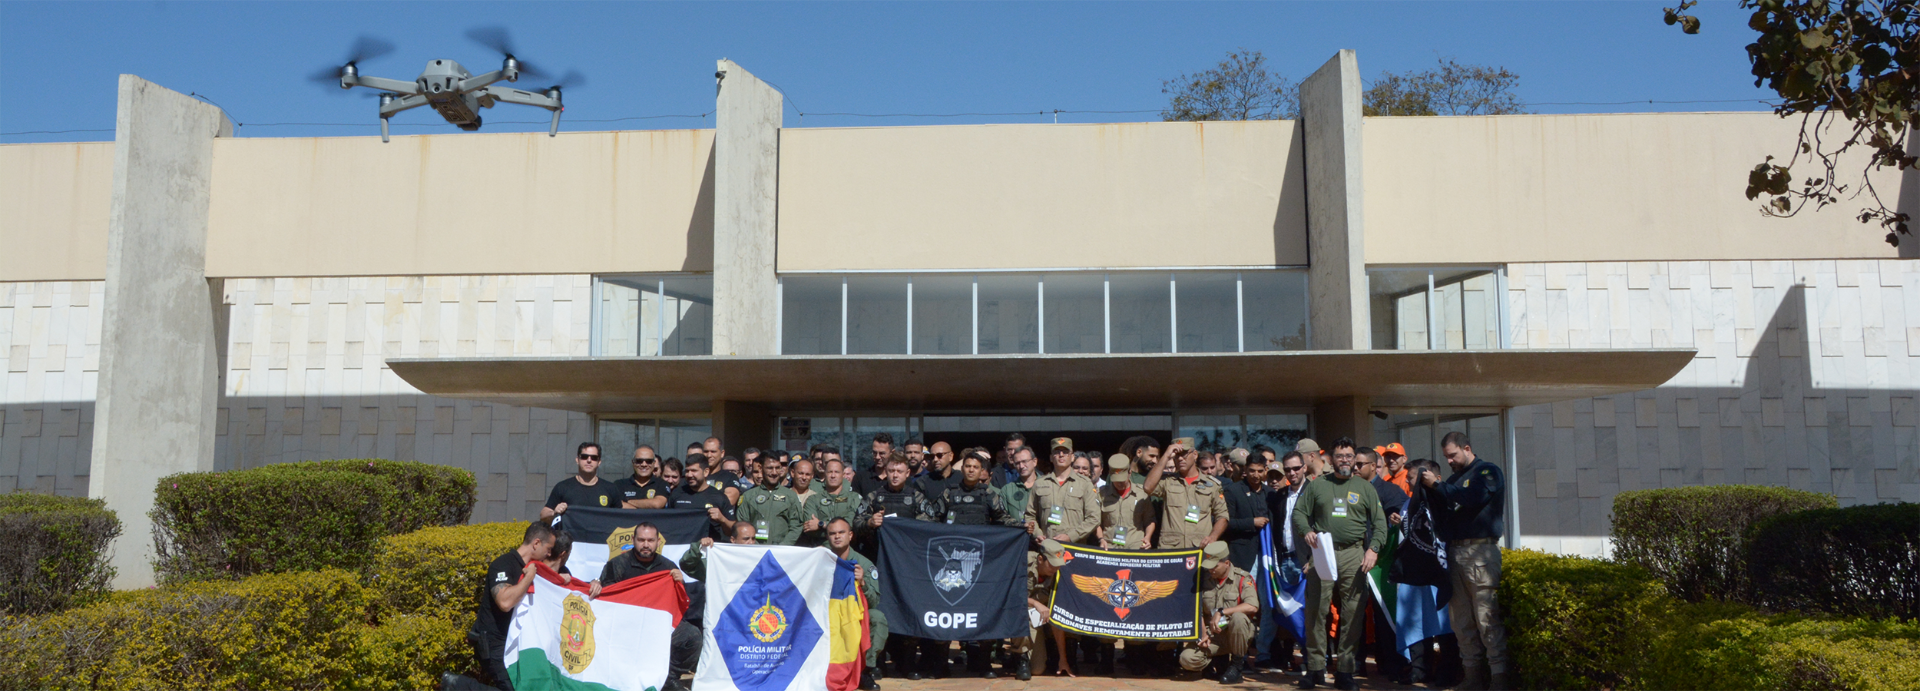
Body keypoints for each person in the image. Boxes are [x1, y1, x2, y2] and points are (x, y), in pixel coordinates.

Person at [1291, 437, 1387, 691]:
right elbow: (1299, 513)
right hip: (1322, 551)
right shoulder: (1317, 485)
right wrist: (1306, 531)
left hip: (1353, 554)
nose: (1344, 460)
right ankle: (1315, 669)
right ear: (1331, 459)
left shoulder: (1365, 487)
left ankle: (1345, 671)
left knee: (1352, 613)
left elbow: (1380, 523)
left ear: (1354, 459)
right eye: (1340, 456)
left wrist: (1373, 549)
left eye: (1349, 456)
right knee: (1316, 611)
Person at [1418, 432, 1511, 691]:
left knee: (1486, 618)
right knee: (1461, 621)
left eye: (1453, 455)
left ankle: (1499, 678)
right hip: (1455, 552)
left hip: (1480, 552)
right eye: (1446, 457)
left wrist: (1438, 486)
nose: (1449, 461)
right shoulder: (1454, 480)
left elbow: (1473, 498)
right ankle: (1472, 677)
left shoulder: (1487, 472)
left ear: (1467, 448)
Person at [931, 452, 1016, 678]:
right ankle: (941, 664)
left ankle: (984, 663)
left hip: (979, 564)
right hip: (950, 563)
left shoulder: (989, 494)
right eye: (967, 466)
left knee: (982, 611)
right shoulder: (949, 493)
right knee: (947, 611)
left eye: (975, 467)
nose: (970, 470)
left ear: (982, 471)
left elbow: (1003, 518)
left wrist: (1021, 526)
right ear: (962, 469)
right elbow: (930, 520)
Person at [588, 523, 699, 691]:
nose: (646, 544)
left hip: (658, 624)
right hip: (626, 625)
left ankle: (667, 678)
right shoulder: (617, 564)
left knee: (693, 637)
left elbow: (680, 603)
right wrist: (596, 583)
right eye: (641, 540)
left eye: (650, 540)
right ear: (633, 540)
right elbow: (607, 598)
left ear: (658, 542)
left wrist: (680, 583)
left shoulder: (668, 567)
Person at [856, 454, 938, 679]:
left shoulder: (916, 497)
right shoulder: (874, 496)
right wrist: (870, 522)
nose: (894, 475)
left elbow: (931, 525)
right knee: (881, 610)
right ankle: (877, 661)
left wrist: (909, 527)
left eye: (899, 471)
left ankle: (907, 662)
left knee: (908, 610)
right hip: (878, 562)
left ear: (907, 473)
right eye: (891, 471)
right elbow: (856, 523)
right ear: (886, 471)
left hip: (908, 566)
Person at [473, 521, 554, 691]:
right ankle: (459, 685)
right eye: (548, 548)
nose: (549, 553)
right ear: (536, 543)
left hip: (516, 643)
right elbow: (505, 602)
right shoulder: (503, 564)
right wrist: (528, 578)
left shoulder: (532, 568)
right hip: (494, 643)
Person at [1096, 453, 1157, 675]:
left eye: (1122, 479)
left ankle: (1134, 656)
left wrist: (1148, 537)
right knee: (1108, 604)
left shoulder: (1142, 494)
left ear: (1130, 473)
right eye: (1115, 479)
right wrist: (1101, 539)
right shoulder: (1102, 494)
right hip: (1110, 557)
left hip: (1135, 557)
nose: (1119, 483)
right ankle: (1106, 657)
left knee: (1134, 604)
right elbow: (1096, 521)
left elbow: (1150, 520)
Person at [1353, 448, 1409, 682]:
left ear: (1374, 466)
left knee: (1384, 615)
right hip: (1353, 560)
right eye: (1354, 464)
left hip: (1381, 563)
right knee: (1354, 613)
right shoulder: (1348, 490)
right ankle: (1356, 664)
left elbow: (1401, 521)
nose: (1355, 468)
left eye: (1360, 464)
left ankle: (1391, 664)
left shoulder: (1390, 491)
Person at [1255, 452, 1312, 674]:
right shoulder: (1278, 496)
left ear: (1304, 467)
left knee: (1307, 611)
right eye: (1288, 469)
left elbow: (1322, 527)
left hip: (1304, 561)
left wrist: (1313, 559)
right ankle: (1279, 656)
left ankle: (1311, 658)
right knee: (1282, 610)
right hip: (1282, 561)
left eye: (1296, 468)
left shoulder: (1314, 492)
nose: (1292, 473)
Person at [1181, 542, 1259, 684]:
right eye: (1208, 566)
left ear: (1226, 563)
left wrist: (1222, 612)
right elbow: (1196, 609)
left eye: (1214, 566)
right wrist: (1203, 633)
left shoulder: (1242, 578)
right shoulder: (1203, 579)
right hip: (1212, 635)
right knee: (1187, 659)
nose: (1210, 570)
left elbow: (1252, 606)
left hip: (1234, 634)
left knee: (1239, 617)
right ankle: (1214, 661)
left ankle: (1236, 666)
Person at [825, 517, 889, 690]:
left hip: (853, 615)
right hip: (827, 614)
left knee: (877, 618)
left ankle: (863, 671)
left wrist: (862, 583)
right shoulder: (821, 559)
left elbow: (874, 602)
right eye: (832, 533)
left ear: (850, 535)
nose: (837, 536)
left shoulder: (864, 564)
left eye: (841, 532)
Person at [1144, 439, 1229, 550]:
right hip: (1171, 548)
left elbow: (1222, 515)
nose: (1180, 458)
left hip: (1199, 547)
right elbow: (1148, 487)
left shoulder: (1212, 485)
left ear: (1195, 455)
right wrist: (1166, 455)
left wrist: (1213, 537)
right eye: (1176, 455)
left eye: (1184, 454)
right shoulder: (1168, 481)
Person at [1009, 540, 1068, 680]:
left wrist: (1063, 658)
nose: (1055, 568)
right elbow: (1010, 596)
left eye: (1058, 564)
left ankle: (1047, 653)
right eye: (1052, 564)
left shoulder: (1058, 573)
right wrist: (1035, 603)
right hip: (1020, 612)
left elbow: (1057, 616)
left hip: (1040, 618)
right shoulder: (1021, 562)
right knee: (1020, 614)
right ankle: (1021, 658)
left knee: (1037, 669)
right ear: (1040, 559)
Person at [1024, 437, 1099, 545]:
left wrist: (1071, 536)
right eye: (1057, 452)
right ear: (1051, 457)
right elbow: (1030, 515)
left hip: (1075, 546)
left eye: (1065, 452)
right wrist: (1038, 534)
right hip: (1048, 545)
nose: (1061, 455)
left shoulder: (1085, 484)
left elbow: (1094, 518)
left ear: (1072, 457)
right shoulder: (1040, 484)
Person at [735, 454, 807, 545]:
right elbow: (742, 524)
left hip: (782, 549)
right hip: (755, 548)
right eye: (770, 468)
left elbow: (796, 526)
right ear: (761, 468)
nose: (774, 473)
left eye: (777, 468)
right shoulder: (748, 496)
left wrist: (782, 546)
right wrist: (757, 546)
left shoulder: (790, 496)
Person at [1221, 450, 1272, 571]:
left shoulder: (1270, 492)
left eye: (1260, 471)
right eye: (1252, 470)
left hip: (1267, 552)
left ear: (1265, 470)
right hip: (1243, 554)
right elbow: (1227, 522)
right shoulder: (1233, 491)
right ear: (1245, 469)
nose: (1256, 475)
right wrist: (1252, 522)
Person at [542, 442, 620, 521]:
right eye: (584, 457)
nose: (589, 460)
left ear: (599, 462)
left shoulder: (610, 488)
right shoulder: (563, 487)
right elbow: (543, 515)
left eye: (594, 458)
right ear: (577, 460)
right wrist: (554, 512)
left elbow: (620, 518)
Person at [666, 456, 735, 543]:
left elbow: (733, 531)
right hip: (682, 546)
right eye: (687, 471)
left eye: (694, 471)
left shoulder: (719, 497)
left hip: (708, 548)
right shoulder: (677, 494)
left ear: (706, 472)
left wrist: (722, 519)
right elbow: (668, 523)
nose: (689, 475)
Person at [804, 457, 862, 547]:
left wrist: (821, 524)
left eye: (837, 472)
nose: (833, 475)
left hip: (847, 549)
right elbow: (809, 528)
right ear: (825, 474)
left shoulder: (854, 498)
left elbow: (851, 525)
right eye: (830, 472)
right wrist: (841, 531)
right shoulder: (813, 500)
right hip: (820, 548)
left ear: (843, 474)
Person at [677, 520, 760, 581]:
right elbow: (687, 566)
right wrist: (698, 547)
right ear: (733, 540)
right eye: (746, 539)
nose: (751, 542)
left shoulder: (761, 558)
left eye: (753, 538)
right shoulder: (719, 559)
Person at [617, 445, 672, 509]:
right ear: (633, 462)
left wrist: (627, 501)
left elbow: (657, 504)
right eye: (639, 461)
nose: (644, 464)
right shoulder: (620, 484)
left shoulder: (662, 484)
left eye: (649, 461)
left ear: (654, 463)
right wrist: (644, 507)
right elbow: (618, 505)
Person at [999, 447, 1039, 525]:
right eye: (1017, 463)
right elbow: (1002, 517)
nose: (1021, 466)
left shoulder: (1048, 486)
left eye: (1024, 461)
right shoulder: (1007, 490)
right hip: (1018, 531)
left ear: (1034, 461)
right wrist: (1019, 525)